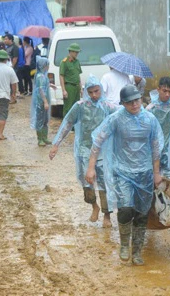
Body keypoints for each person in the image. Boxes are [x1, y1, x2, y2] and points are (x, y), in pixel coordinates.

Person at [85, 85, 164, 265]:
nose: (134, 105)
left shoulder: (150, 120)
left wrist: (156, 173)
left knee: (142, 213)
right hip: (123, 172)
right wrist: (90, 168)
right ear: (123, 103)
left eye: (136, 100)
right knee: (126, 208)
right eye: (129, 102)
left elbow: (155, 147)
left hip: (144, 173)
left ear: (141, 99)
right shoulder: (116, 119)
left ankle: (136, 251)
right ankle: (123, 245)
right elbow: (98, 141)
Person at [49, 75, 119, 226]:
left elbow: (123, 115)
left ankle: (107, 216)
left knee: (104, 183)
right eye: (91, 92)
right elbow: (67, 124)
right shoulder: (80, 106)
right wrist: (56, 144)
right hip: (83, 150)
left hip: (101, 152)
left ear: (101, 90)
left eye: (97, 91)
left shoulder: (108, 107)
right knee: (86, 182)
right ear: (86, 91)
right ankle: (94, 205)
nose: (94, 95)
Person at [146, 76, 170, 177]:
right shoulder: (150, 110)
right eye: (164, 91)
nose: (167, 94)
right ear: (158, 89)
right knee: (154, 179)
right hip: (155, 150)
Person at [30, 57, 52, 146]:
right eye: (47, 65)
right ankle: (40, 139)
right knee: (40, 120)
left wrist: (51, 85)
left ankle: (45, 137)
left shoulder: (42, 75)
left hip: (43, 101)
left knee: (45, 120)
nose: (48, 66)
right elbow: (41, 90)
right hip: (41, 102)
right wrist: (45, 101)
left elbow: (44, 86)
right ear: (44, 66)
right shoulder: (40, 76)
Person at [59, 43, 82, 117]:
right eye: (75, 52)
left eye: (78, 52)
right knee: (68, 108)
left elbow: (78, 75)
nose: (77, 54)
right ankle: (66, 126)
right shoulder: (64, 62)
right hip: (69, 87)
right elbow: (61, 76)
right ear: (70, 51)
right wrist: (64, 90)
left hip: (76, 87)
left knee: (76, 107)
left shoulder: (77, 62)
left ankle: (74, 127)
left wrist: (81, 88)